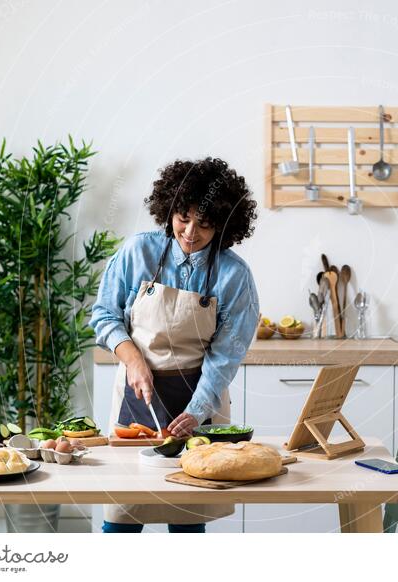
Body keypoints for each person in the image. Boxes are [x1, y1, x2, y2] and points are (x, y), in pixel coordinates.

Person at [90, 157, 259, 533]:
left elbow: (226, 354)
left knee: (186, 522)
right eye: (183, 217)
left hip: (200, 395)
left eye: (204, 223)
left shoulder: (234, 276)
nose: (190, 231)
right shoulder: (138, 252)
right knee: (122, 517)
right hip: (137, 396)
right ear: (169, 209)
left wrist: (197, 411)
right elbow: (103, 315)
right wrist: (133, 359)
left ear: (225, 224)